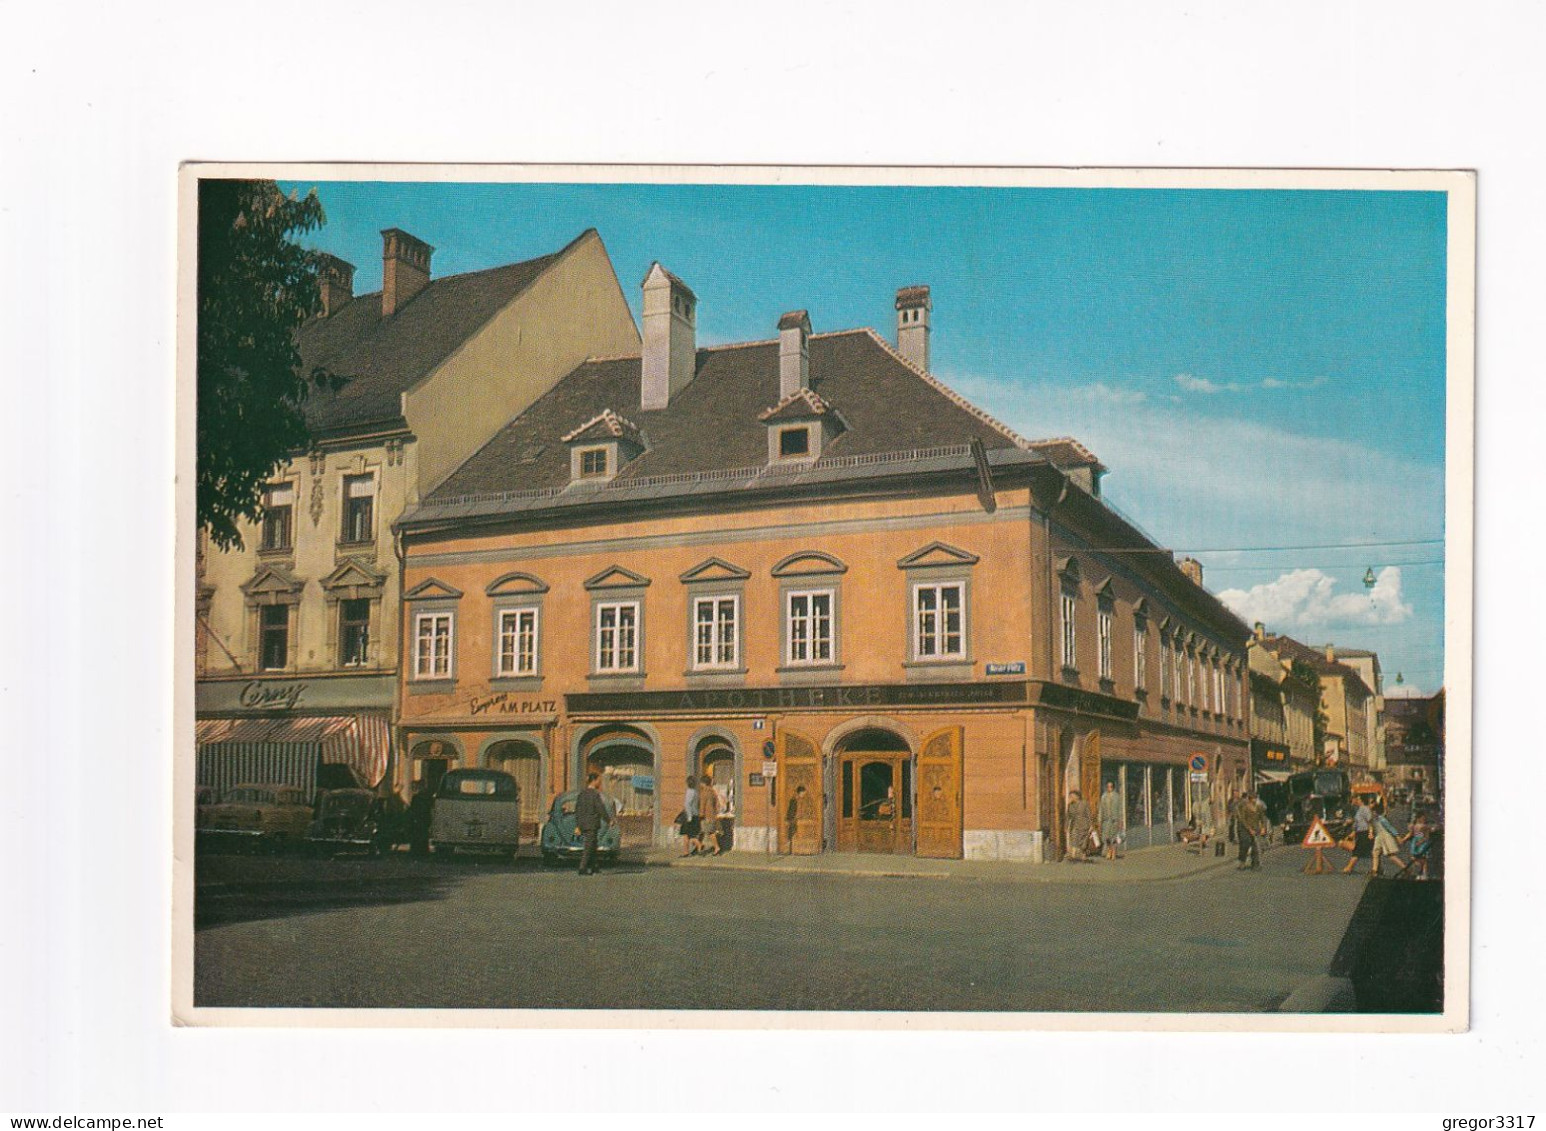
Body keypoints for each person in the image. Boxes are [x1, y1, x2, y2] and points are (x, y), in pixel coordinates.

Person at [574, 771, 614, 876]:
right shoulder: (595, 794)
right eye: (599, 781)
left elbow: (577, 810)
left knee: (593, 844)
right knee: (589, 846)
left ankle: (594, 867)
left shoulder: (582, 794)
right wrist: (609, 820)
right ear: (594, 781)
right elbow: (600, 808)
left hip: (583, 823)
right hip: (592, 823)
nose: (599, 783)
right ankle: (582, 868)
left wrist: (578, 825)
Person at [1370, 800, 1407, 877]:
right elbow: (1371, 826)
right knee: (1375, 853)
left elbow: (1391, 828)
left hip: (1385, 837)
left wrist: (1397, 836)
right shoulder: (1374, 819)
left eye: (1373, 812)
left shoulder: (1382, 819)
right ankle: (1374, 870)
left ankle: (1406, 868)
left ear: (1376, 812)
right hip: (1379, 838)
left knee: (1391, 856)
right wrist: (1370, 833)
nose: (1372, 813)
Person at [1235, 791, 1267, 870]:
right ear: (1249, 799)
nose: (1254, 801)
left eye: (1255, 799)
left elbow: (1263, 817)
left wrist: (1263, 827)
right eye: (1253, 799)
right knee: (1245, 844)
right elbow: (1242, 819)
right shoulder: (1244, 806)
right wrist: (1249, 829)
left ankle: (1255, 863)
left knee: (1256, 846)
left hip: (1255, 827)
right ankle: (1242, 862)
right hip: (1244, 828)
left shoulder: (1259, 806)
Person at [1343, 794, 1374, 874]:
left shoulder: (1365, 809)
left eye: (1359, 799)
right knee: (1371, 851)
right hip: (1360, 833)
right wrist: (1352, 834)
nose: (1357, 800)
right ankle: (1377, 868)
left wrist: (1370, 833)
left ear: (1362, 801)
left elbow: (1370, 821)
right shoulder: (1360, 809)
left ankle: (1349, 868)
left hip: (1365, 832)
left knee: (1357, 850)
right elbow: (1357, 823)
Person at [1065, 790, 1094, 863]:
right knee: (1074, 839)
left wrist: (1091, 825)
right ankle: (1073, 855)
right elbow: (1068, 817)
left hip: (1084, 825)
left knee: (1084, 842)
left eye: (1072, 796)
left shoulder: (1084, 803)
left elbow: (1089, 815)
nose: (1070, 798)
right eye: (1070, 796)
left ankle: (1084, 857)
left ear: (1077, 796)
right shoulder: (1070, 805)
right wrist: (1067, 826)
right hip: (1075, 825)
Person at [699, 770, 722, 855]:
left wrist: (701, 815)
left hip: (706, 816)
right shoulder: (713, 791)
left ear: (703, 783)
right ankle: (699, 847)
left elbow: (702, 804)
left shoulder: (704, 792)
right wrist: (716, 813)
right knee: (707, 832)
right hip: (713, 815)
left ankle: (716, 847)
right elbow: (717, 804)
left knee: (710, 832)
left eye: (701, 783)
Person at [1097, 781, 1122, 860]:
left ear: (1113, 787)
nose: (1109, 788)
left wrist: (1120, 820)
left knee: (1113, 837)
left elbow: (1120, 809)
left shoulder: (1117, 796)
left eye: (1111, 787)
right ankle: (1108, 850)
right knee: (1106, 837)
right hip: (1106, 820)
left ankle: (1114, 852)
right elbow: (1101, 808)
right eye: (1108, 787)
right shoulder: (1104, 796)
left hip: (1114, 819)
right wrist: (1099, 819)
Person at [679, 775, 701, 856]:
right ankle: (696, 846)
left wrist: (689, 817)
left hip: (689, 815)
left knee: (685, 834)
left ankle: (688, 851)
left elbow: (687, 804)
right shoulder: (696, 792)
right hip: (695, 814)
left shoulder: (689, 792)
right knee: (690, 833)